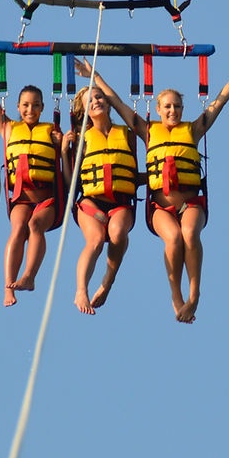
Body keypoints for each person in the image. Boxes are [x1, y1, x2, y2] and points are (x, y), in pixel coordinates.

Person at [75, 51, 229, 323]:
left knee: (189, 233)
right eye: (168, 107)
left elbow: (219, 102)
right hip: (160, 205)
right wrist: (95, 76)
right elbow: (118, 102)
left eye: (177, 107)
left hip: (190, 203)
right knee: (173, 238)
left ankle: (194, 295)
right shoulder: (147, 131)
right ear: (158, 110)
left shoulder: (193, 130)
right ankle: (177, 297)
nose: (173, 111)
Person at [0, 34, 64, 307]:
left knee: (35, 226)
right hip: (21, 197)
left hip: (47, 199)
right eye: (25, 105)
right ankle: (8, 288)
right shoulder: (8, 128)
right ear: (17, 107)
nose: (30, 109)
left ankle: (29, 276)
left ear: (43, 108)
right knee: (18, 229)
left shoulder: (53, 131)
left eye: (36, 105)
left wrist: (63, 145)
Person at [64, 84, 139, 315]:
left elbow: (133, 174)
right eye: (90, 100)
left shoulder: (126, 134)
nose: (96, 101)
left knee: (117, 233)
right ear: (83, 110)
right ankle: (81, 291)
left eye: (99, 97)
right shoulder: (80, 139)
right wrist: (63, 153)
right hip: (91, 203)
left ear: (107, 102)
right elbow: (70, 183)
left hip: (120, 202)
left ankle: (107, 281)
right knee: (95, 240)